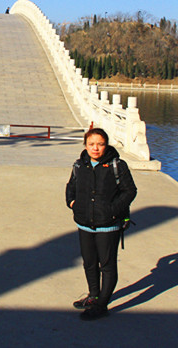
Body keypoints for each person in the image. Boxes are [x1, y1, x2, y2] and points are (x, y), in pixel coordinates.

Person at [65, 128, 137, 320]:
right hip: (85, 223)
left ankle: (102, 304)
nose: (95, 148)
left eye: (100, 144)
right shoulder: (80, 165)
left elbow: (130, 191)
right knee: (89, 263)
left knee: (107, 265)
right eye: (91, 144)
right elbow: (70, 187)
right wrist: (73, 203)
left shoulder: (117, 165)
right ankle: (93, 295)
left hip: (108, 224)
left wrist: (112, 210)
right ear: (85, 145)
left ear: (106, 145)